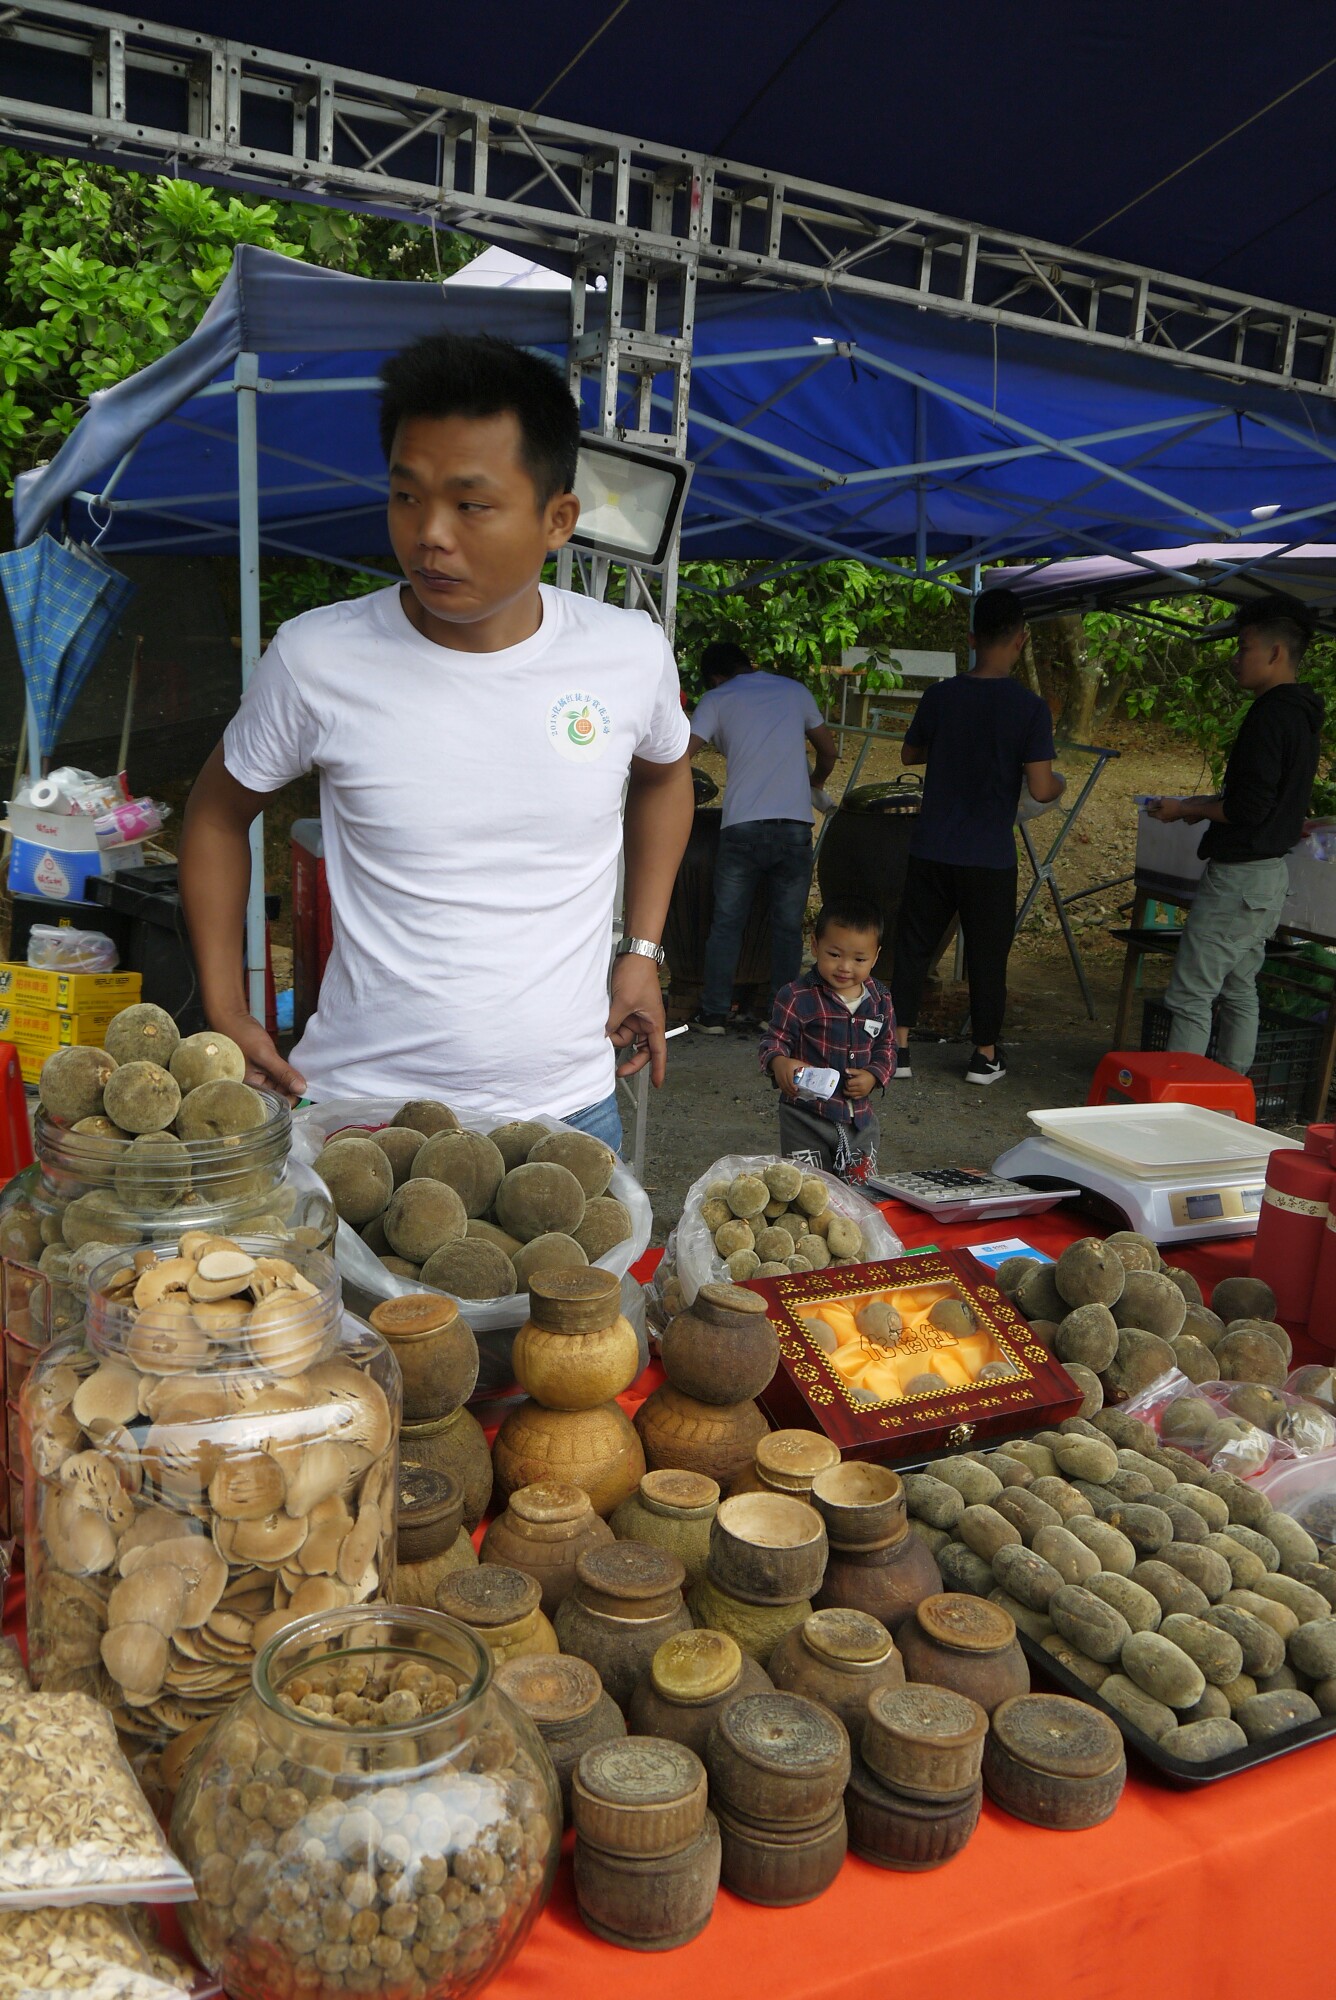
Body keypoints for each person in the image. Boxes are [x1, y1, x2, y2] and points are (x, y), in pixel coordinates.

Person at [179, 332, 695, 1144]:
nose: (430, 534)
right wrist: (226, 1008)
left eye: (471, 503)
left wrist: (641, 951)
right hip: (361, 1118)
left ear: (558, 518)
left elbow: (668, 776)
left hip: (570, 1110)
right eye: (407, 496)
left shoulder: (628, 653)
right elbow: (214, 814)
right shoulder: (319, 657)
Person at [890, 587, 1062, 1086]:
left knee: (914, 947)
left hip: (932, 847)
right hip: (988, 854)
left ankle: (898, 1049)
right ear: (1021, 641)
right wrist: (1061, 784)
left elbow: (908, 755)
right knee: (989, 955)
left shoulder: (940, 696)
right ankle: (984, 1056)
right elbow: (1041, 785)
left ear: (971, 639)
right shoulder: (1029, 708)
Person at [1149, 595, 1323, 1073]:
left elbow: (1248, 807)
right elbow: (1272, 804)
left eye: (1243, 646)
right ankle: (1228, 1101)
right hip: (1268, 879)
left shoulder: (1271, 714)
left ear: (1275, 653)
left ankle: (1178, 1107)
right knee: (1240, 989)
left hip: (1240, 881)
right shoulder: (1304, 714)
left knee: (1190, 994)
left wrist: (1186, 807)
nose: (1235, 657)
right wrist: (1200, 810)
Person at [687, 638, 838, 1032]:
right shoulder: (794, 691)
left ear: (716, 677)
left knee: (727, 923)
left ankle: (715, 1012)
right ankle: (781, 1016)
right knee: (787, 927)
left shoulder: (717, 698)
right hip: (794, 826)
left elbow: (681, 752)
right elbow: (829, 749)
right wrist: (814, 782)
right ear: (747, 661)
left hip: (742, 826)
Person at [758, 896, 897, 1178]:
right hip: (805, 1116)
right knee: (809, 1192)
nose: (845, 967)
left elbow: (889, 1047)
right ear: (815, 945)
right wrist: (779, 1063)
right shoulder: (797, 996)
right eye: (834, 955)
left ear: (876, 956)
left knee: (861, 1193)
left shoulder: (880, 999)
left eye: (859, 959)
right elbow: (773, 1040)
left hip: (859, 1120)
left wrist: (873, 1076)